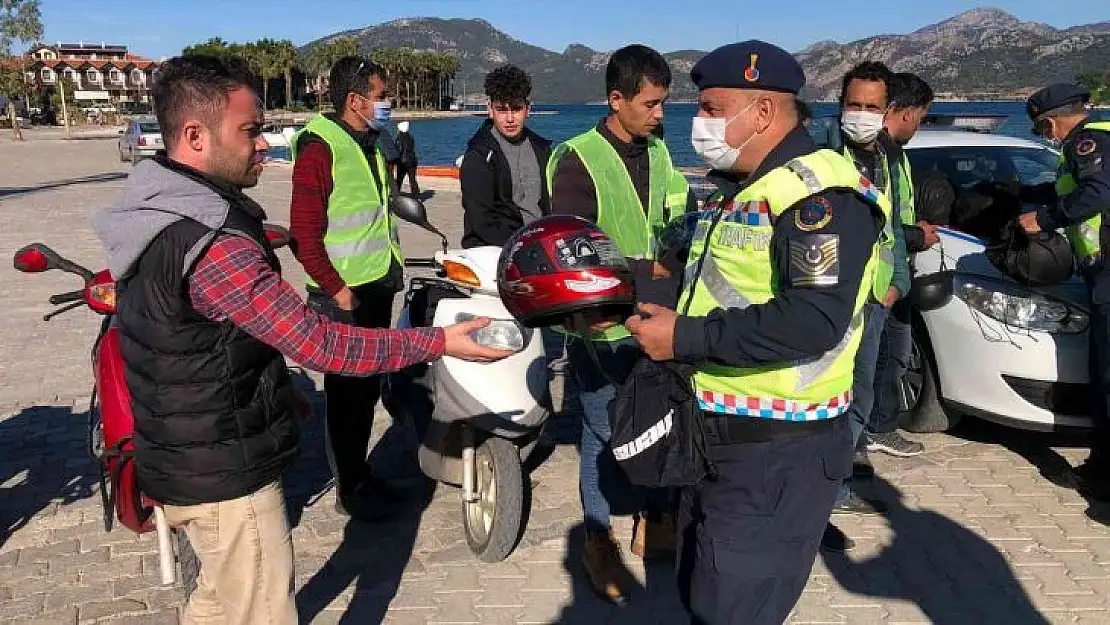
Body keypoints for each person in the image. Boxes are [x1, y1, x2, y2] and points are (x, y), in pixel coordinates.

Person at [90, 55, 509, 625]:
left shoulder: (157, 210)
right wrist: (440, 343)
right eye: (250, 130)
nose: (264, 145)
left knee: (217, 602)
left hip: (186, 455)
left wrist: (274, 391)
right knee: (261, 608)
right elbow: (323, 345)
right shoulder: (212, 242)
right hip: (225, 477)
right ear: (193, 137)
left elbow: (200, 343)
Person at [624, 40, 888, 625]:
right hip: (720, 435)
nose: (700, 122)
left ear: (762, 112)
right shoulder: (746, 184)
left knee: (731, 611)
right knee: (701, 593)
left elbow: (813, 320)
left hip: (778, 449)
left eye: (713, 108)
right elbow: (719, 283)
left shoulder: (818, 197)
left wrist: (684, 338)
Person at [546, 43, 693, 604]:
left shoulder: (657, 151)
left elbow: (674, 212)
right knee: (604, 429)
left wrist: (681, 247)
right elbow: (568, 248)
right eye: (652, 104)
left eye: (664, 104)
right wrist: (643, 269)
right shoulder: (578, 157)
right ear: (616, 99)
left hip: (654, 315)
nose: (661, 115)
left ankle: (653, 517)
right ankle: (598, 534)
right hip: (600, 325)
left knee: (657, 418)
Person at [288, 57, 410, 523]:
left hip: (375, 284)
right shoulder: (322, 148)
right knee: (346, 395)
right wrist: (338, 290)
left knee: (365, 389)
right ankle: (351, 490)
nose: (386, 103)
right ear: (356, 100)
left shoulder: (370, 144)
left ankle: (361, 474)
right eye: (381, 96)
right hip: (343, 295)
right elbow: (303, 231)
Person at [1018, 83, 1110, 498]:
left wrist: (1046, 219)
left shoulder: (1087, 141)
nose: (1045, 137)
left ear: (1050, 121)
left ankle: (1103, 475)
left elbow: (1096, 193)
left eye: (1041, 130)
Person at [830, 61, 905, 516]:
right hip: (827, 292)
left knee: (861, 391)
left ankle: (839, 478)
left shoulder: (890, 156)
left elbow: (893, 222)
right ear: (840, 106)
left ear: (886, 110)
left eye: (871, 107)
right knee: (825, 393)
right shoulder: (821, 148)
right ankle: (826, 489)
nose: (861, 114)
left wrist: (896, 280)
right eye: (853, 105)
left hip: (874, 295)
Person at [864, 72, 941, 462]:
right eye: (922, 117)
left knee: (891, 354)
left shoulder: (896, 154)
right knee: (874, 359)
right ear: (907, 112)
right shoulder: (877, 155)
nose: (919, 125)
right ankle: (867, 435)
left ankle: (879, 427)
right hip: (877, 277)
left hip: (895, 271)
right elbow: (881, 219)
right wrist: (916, 237)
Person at [460, 64, 552, 248]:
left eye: (516, 109)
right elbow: (482, 220)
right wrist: (522, 245)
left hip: (541, 246)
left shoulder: (543, 150)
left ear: (528, 109)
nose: (510, 118)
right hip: (492, 249)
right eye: (502, 109)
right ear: (490, 109)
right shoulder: (478, 155)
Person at [396, 120, 421, 195]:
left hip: (403, 162)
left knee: (399, 179)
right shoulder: (410, 137)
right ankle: (416, 195)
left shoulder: (399, 138)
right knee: (412, 179)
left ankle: (396, 194)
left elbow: (399, 150)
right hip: (412, 160)